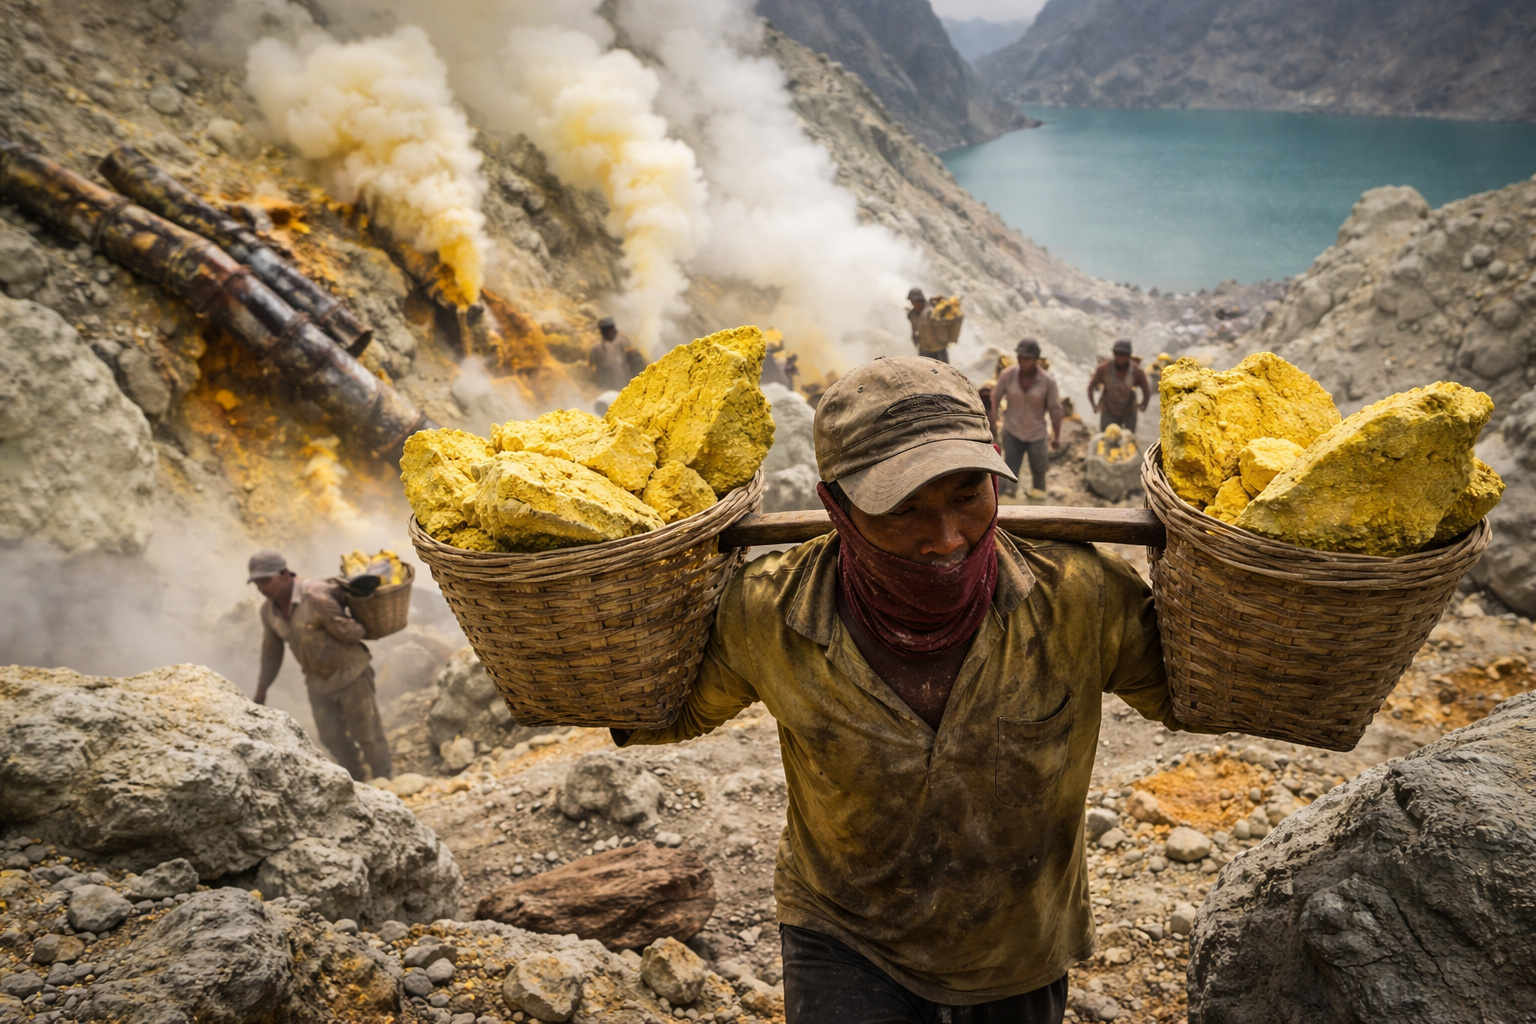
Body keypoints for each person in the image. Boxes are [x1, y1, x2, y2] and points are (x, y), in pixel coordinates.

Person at [612, 356, 1204, 1023]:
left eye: (966, 493)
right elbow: (669, 710)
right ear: (836, 505)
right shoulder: (768, 615)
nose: (945, 538)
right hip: (843, 934)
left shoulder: (1081, 596)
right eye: (902, 509)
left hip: (1015, 944)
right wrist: (601, 632)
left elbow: (1194, 694)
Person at [249, 549, 392, 782]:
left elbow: (349, 632)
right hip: (318, 682)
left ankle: (385, 779)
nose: (263, 588)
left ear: (285, 574)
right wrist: (262, 689)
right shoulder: (268, 612)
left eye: (266, 581)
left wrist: (355, 628)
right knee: (331, 737)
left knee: (367, 733)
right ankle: (357, 780)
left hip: (351, 674)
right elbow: (271, 652)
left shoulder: (316, 597)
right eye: (257, 584)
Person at [988, 338, 1063, 498]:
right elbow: (995, 396)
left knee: (1039, 470)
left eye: (1027, 358)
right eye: (1020, 357)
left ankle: (1039, 508)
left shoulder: (1047, 381)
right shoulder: (1008, 375)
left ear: (1036, 359)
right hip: (1012, 430)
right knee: (1010, 471)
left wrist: (1056, 436)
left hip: (1037, 434)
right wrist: (994, 420)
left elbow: (1055, 409)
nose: (1023, 361)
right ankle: (1009, 506)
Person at [1087, 339, 1151, 433]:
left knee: (1129, 438)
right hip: (1108, 408)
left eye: (1122, 355)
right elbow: (1091, 387)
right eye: (1116, 354)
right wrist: (1094, 406)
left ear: (1128, 355)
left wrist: (1144, 404)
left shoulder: (1137, 371)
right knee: (1106, 437)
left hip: (1129, 409)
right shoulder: (1103, 369)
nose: (1119, 357)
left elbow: (1146, 389)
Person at [589, 317, 642, 391]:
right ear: (602, 331)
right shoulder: (596, 348)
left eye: (610, 329)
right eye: (605, 330)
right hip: (607, 387)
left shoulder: (623, 341)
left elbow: (634, 361)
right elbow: (592, 368)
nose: (609, 332)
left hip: (626, 383)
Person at [906, 287, 947, 363]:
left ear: (919, 300)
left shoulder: (931, 311)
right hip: (924, 347)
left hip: (938, 347)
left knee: (943, 369)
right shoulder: (911, 314)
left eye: (913, 301)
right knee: (924, 368)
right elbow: (914, 328)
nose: (912, 303)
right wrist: (914, 337)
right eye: (911, 301)